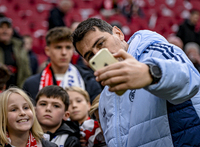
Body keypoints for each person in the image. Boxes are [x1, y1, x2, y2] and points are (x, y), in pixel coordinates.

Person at [72, 18, 200, 146]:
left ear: (118, 33)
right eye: (90, 56)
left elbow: (190, 79)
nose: (98, 54)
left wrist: (150, 73)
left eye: (100, 44)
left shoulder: (155, 51)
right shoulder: (105, 97)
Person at [23, 27, 102, 102]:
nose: (64, 53)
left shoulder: (88, 79)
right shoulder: (31, 84)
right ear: (47, 51)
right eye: (58, 47)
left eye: (68, 47)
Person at [0, 17, 31, 88]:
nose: (4, 31)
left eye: (7, 28)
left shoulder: (20, 49)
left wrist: (21, 89)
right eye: (1, 27)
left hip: (16, 89)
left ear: (12, 31)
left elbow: (26, 72)